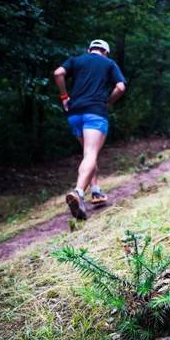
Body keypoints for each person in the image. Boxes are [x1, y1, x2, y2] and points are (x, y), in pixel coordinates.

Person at [53, 39, 126, 220]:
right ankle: (78, 192)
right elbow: (120, 87)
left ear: (89, 50)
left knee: (88, 154)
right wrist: (108, 102)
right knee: (91, 153)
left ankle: (96, 191)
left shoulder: (76, 60)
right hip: (95, 112)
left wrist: (64, 96)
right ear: (105, 52)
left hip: (74, 113)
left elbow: (58, 73)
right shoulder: (109, 63)